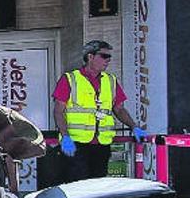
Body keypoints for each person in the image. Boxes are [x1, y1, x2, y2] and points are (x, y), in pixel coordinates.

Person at [52, 40, 146, 182]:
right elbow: (58, 111)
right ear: (90, 57)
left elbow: (119, 109)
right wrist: (65, 136)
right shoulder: (70, 79)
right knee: (78, 187)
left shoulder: (111, 80)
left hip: (102, 144)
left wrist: (134, 126)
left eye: (109, 57)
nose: (108, 60)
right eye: (104, 56)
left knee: (98, 186)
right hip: (76, 144)